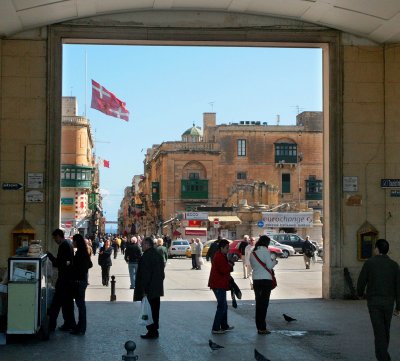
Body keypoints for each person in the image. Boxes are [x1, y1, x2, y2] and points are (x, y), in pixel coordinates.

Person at [357, 239, 400, 361]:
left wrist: (359, 293)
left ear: (377, 249)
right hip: (389, 303)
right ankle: (384, 355)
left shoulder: (369, 263)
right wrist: (398, 306)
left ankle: (383, 357)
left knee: (379, 331)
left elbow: (361, 281)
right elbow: (398, 287)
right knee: (385, 330)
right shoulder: (394, 265)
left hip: (374, 303)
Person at [134, 237, 165, 339]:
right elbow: (162, 273)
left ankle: (151, 331)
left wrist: (144, 290)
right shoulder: (158, 255)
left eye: (142, 244)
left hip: (149, 290)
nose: (141, 246)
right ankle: (154, 330)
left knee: (149, 311)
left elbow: (145, 275)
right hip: (157, 289)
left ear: (147, 245)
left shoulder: (146, 257)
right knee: (155, 310)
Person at [47, 228, 76, 332]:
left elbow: (59, 263)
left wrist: (49, 256)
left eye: (55, 238)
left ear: (58, 236)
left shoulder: (63, 246)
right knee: (66, 303)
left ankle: (52, 325)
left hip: (64, 279)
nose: (54, 240)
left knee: (57, 303)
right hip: (67, 279)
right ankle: (69, 323)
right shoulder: (68, 244)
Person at [250, 235, 278, 335]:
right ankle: (263, 327)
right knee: (264, 304)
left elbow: (253, 266)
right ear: (266, 243)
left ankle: (259, 327)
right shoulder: (266, 252)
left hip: (256, 280)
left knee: (258, 303)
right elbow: (269, 266)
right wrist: (275, 261)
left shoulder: (253, 253)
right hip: (266, 280)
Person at [208, 239, 234, 334]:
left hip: (220, 283)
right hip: (218, 284)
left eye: (228, 248)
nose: (228, 250)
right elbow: (224, 269)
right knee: (222, 306)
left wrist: (230, 263)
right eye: (227, 248)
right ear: (221, 248)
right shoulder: (219, 256)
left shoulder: (221, 255)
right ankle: (216, 328)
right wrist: (231, 263)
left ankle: (224, 326)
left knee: (224, 306)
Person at [70, 234, 93, 335]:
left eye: (73, 241)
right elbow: (90, 264)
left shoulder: (80, 253)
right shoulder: (83, 252)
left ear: (76, 242)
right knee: (80, 305)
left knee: (81, 305)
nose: (72, 243)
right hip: (82, 281)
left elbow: (83, 267)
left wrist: (74, 268)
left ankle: (81, 328)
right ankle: (80, 327)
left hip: (79, 282)